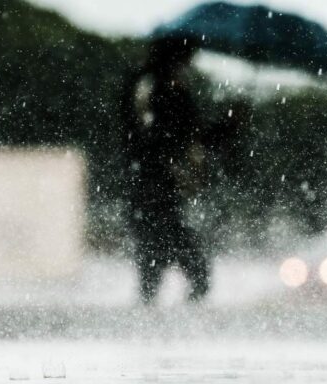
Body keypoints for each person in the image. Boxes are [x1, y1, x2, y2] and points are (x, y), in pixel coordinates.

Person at [122, 37, 209, 303]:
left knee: (157, 263)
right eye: (186, 59)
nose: (189, 65)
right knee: (176, 263)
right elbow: (178, 134)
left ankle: (154, 322)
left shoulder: (155, 85)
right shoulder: (154, 87)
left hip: (153, 189)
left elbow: (188, 133)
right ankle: (161, 325)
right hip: (151, 188)